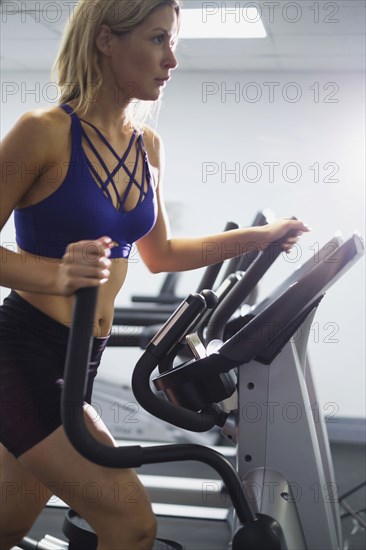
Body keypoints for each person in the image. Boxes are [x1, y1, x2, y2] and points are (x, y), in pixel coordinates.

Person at [0, 1, 310, 549]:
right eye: (157, 39)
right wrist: (56, 275)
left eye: (174, 44)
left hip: (80, 359)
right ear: (105, 41)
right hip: (23, 351)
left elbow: (161, 252)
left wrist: (258, 238)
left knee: (7, 523)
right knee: (132, 522)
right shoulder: (42, 132)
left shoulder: (146, 146)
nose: (171, 59)